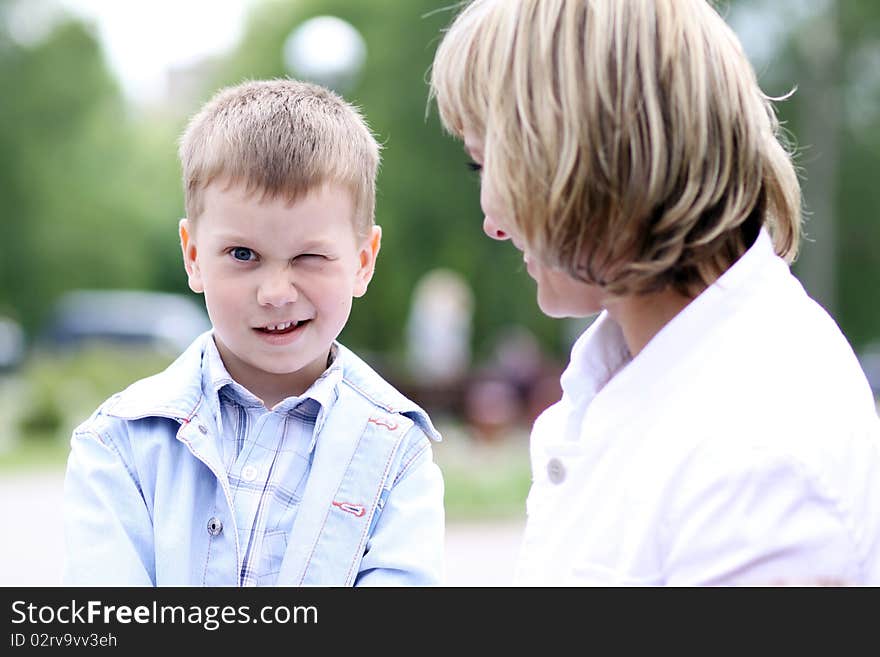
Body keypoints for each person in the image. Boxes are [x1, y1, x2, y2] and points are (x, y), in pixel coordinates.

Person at [430, 0, 880, 585]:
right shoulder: (650, 375)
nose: (492, 220)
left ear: (593, 158)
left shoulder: (757, 459)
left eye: (490, 165)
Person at [63, 79, 445, 586]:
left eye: (309, 256)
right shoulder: (120, 444)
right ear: (194, 256)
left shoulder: (397, 453)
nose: (276, 292)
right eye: (243, 255)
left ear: (363, 260)